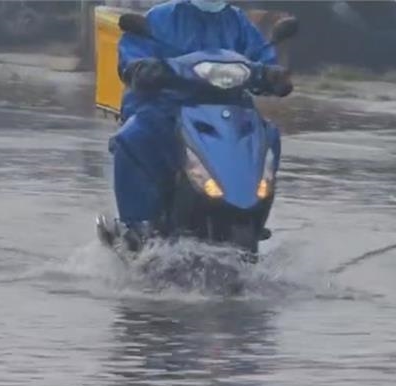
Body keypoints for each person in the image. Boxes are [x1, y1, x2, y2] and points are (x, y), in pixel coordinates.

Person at [109, 0, 293, 248]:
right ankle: (136, 226)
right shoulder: (161, 18)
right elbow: (134, 52)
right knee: (134, 137)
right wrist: (142, 67)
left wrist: (273, 74)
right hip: (170, 106)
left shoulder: (238, 22)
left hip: (231, 108)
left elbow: (262, 55)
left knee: (268, 135)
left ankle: (254, 213)